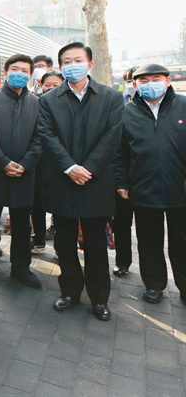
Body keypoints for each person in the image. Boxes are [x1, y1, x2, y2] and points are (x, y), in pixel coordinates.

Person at [37, 42, 123, 321]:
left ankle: (99, 298)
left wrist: (88, 168)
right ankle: (70, 292)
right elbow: (47, 135)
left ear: (89, 64)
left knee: (96, 244)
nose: (72, 65)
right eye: (66, 61)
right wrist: (70, 167)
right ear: (60, 67)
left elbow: (112, 136)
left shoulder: (110, 97)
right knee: (64, 243)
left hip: (95, 182)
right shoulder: (49, 99)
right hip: (62, 181)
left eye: (77, 60)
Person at [114, 64, 186, 304]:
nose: (150, 84)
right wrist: (122, 182)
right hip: (143, 188)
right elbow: (120, 152)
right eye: (143, 81)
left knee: (182, 241)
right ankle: (154, 285)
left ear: (167, 81)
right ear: (135, 85)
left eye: (156, 79)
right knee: (148, 241)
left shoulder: (183, 106)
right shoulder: (126, 112)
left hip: (180, 188)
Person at [0, 54, 42, 288]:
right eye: (15, 69)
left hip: (24, 174)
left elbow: (40, 137)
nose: (19, 74)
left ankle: (21, 267)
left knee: (22, 224)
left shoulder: (37, 102)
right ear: (5, 72)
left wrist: (26, 164)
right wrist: (2, 162)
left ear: (30, 75)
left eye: (25, 70)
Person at [30, 70, 65, 250]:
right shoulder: (36, 104)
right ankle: (38, 240)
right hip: (38, 163)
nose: (50, 88)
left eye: (55, 85)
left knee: (60, 207)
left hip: (60, 164)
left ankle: (61, 247)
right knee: (37, 205)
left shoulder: (68, 105)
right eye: (47, 85)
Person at [112, 66, 138, 276]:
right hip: (124, 178)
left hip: (149, 179)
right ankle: (123, 262)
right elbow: (117, 149)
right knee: (121, 224)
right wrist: (120, 181)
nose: (132, 84)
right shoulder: (119, 105)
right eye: (129, 80)